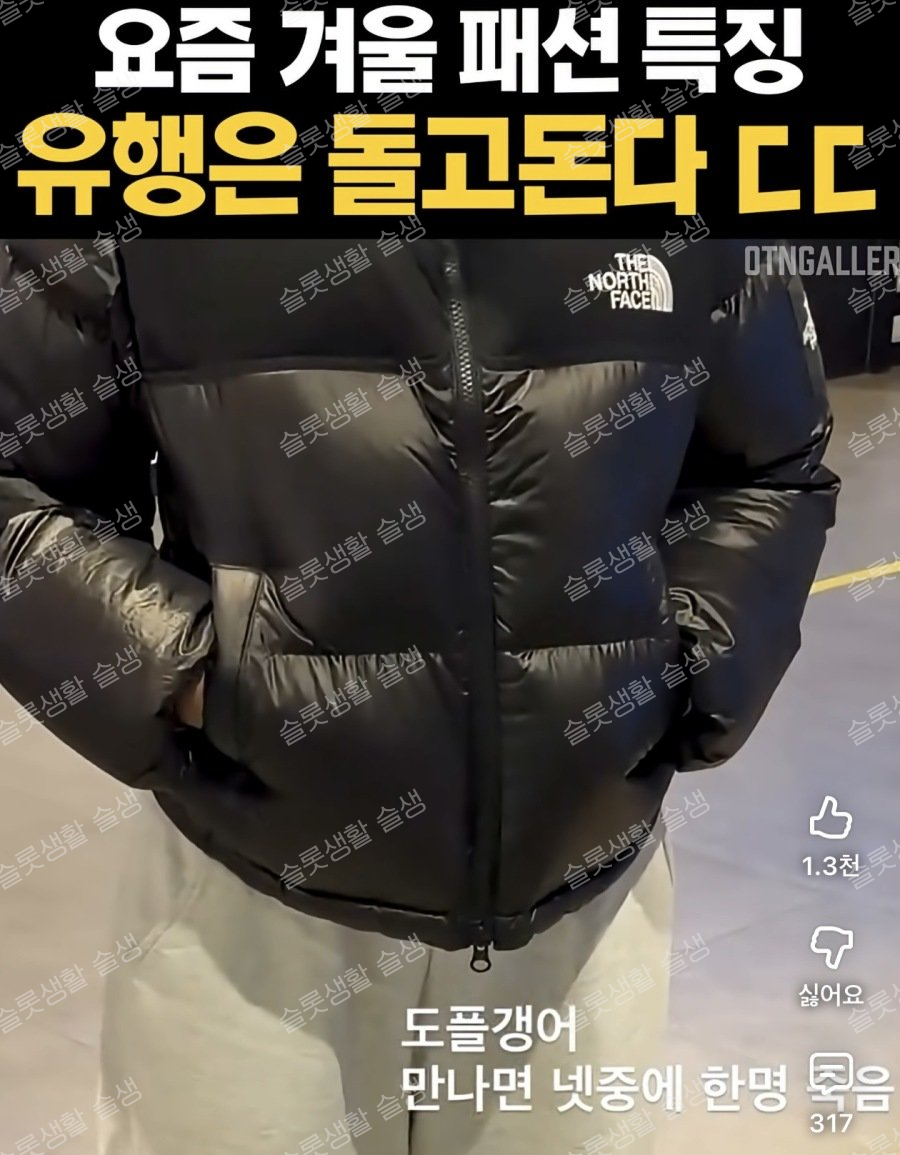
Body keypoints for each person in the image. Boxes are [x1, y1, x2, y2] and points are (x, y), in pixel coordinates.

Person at [0, 237, 839, 1154]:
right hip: (255, 890)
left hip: (584, 887)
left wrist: (678, 671)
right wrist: (210, 686)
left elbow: (769, 466)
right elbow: (18, 487)